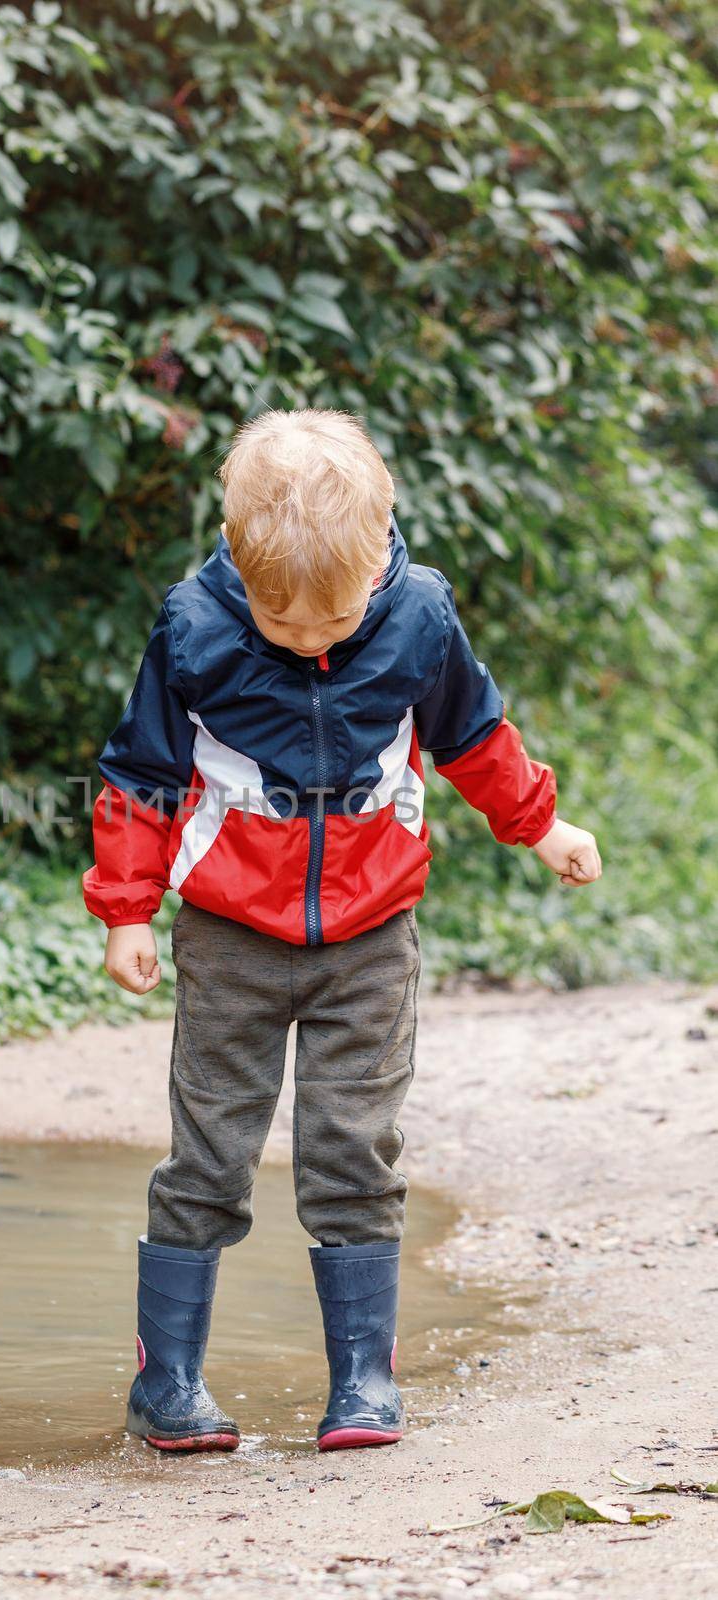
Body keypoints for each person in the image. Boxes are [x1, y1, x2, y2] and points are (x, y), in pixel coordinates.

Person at [81, 408, 601, 1454]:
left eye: (333, 620)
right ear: (238, 563)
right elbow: (139, 774)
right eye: (287, 626)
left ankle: (363, 1381)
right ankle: (166, 1384)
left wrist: (538, 826)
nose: (313, 639)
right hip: (229, 934)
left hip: (369, 935)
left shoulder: (414, 616)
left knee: (353, 1148)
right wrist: (126, 908)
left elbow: (472, 736)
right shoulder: (194, 629)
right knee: (207, 1154)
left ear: (377, 555)